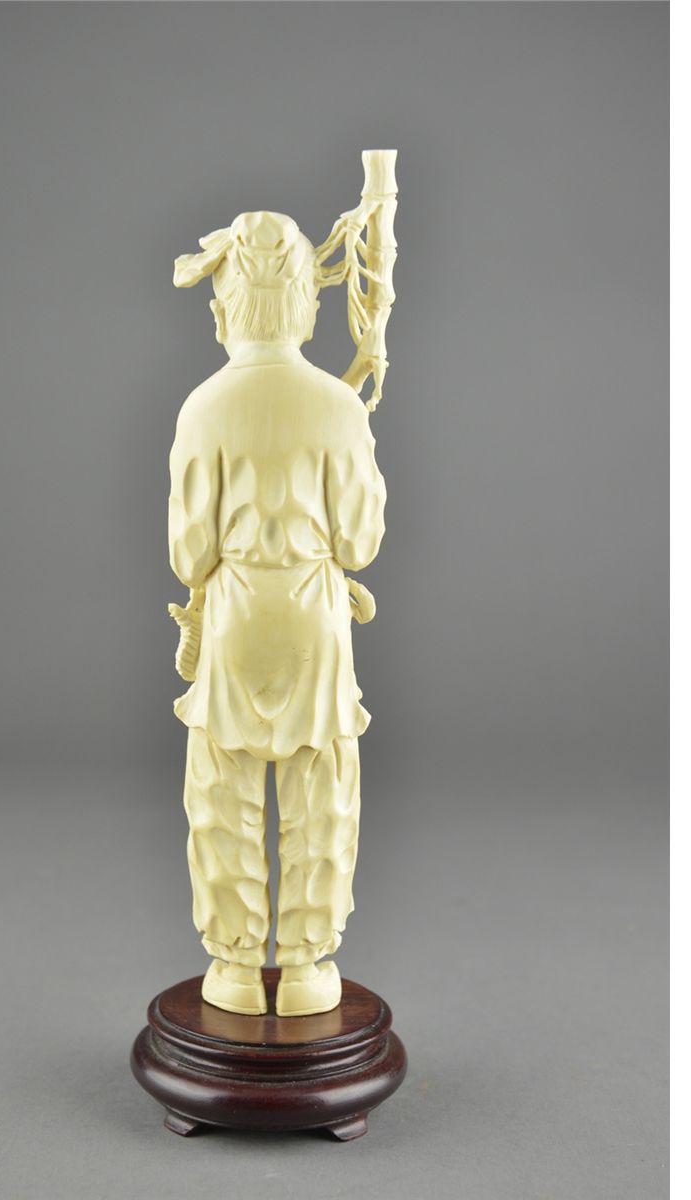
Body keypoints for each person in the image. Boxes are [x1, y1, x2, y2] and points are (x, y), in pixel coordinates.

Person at [168, 210, 386, 1017]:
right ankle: (305, 966)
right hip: (313, 617)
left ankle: (230, 965)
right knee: (320, 784)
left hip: (233, 615)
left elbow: (188, 552)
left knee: (223, 785)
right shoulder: (337, 405)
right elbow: (359, 541)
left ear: (223, 305)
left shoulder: (203, 407)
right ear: (307, 304)